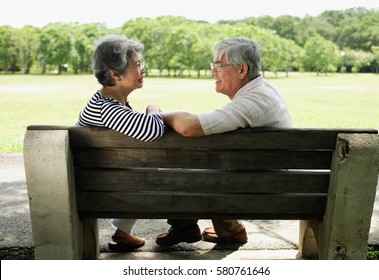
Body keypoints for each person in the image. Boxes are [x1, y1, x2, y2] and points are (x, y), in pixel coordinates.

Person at [157, 37, 293, 246]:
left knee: (190, 154)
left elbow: (187, 127)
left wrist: (158, 114)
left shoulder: (254, 101)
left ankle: (189, 228)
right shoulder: (262, 90)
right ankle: (224, 230)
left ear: (241, 70)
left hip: (264, 188)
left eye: (219, 65)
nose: (213, 71)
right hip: (263, 177)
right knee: (209, 156)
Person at [76, 35, 165, 251]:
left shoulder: (106, 102)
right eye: (137, 64)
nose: (143, 69)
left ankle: (122, 233)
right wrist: (153, 109)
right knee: (156, 171)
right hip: (99, 186)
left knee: (142, 167)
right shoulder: (107, 108)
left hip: (101, 178)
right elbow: (152, 130)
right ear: (116, 74)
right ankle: (184, 224)